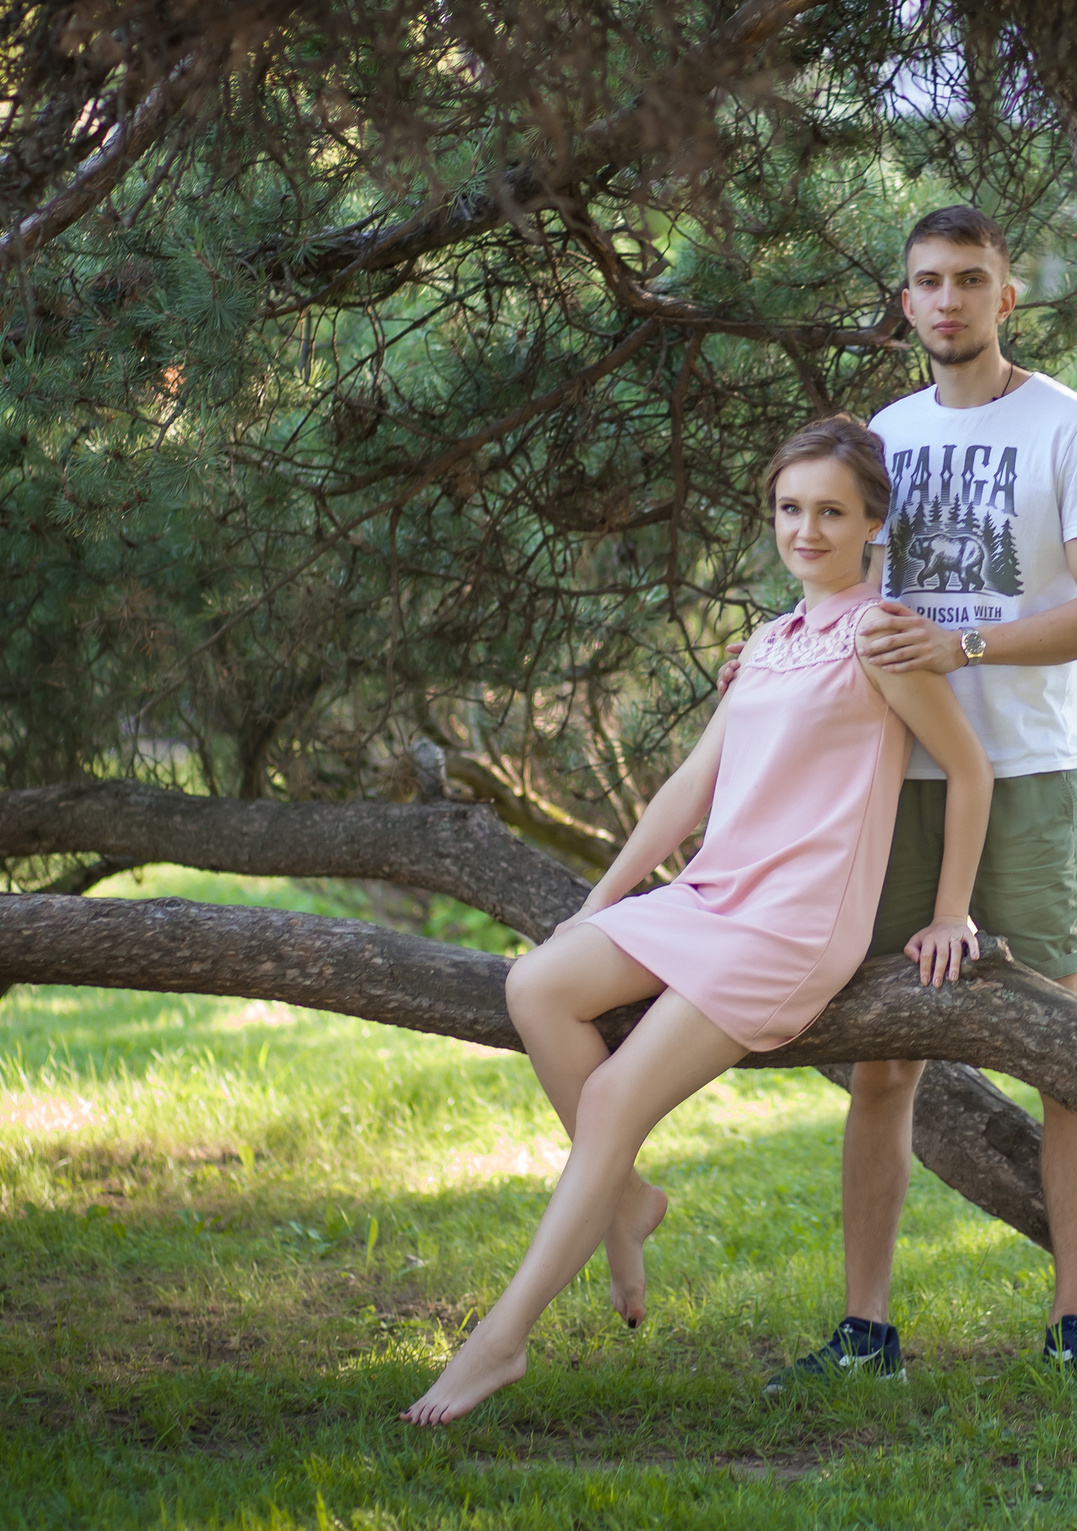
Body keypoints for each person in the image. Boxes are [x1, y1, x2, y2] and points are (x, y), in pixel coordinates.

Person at [401, 415, 992, 1428]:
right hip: (712, 896)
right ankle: (625, 1201)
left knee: (614, 1095)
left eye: (831, 512)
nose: (806, 530)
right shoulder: (769, 641)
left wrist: (949, 914)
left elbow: (970, 770)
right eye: (790, 508)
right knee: (536, 983)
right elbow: (690, 786)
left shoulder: (879, 636)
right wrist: (596, 906)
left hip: (793, 924)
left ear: (872, 525)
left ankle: (501, 1340)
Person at [769, 205, 1077, 1390]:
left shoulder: (1071, 425)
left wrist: (965, 648)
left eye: (969, 279)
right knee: (883, 1065)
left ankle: (1070, 1323)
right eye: (927, 281)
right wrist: (769, 659)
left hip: (1024, 777)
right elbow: (844, 591)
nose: (947, 300)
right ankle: (865, 1331)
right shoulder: (887, 434)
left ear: (1004, 297)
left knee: (1067, 1057)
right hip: (894, 778)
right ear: (906, 300)